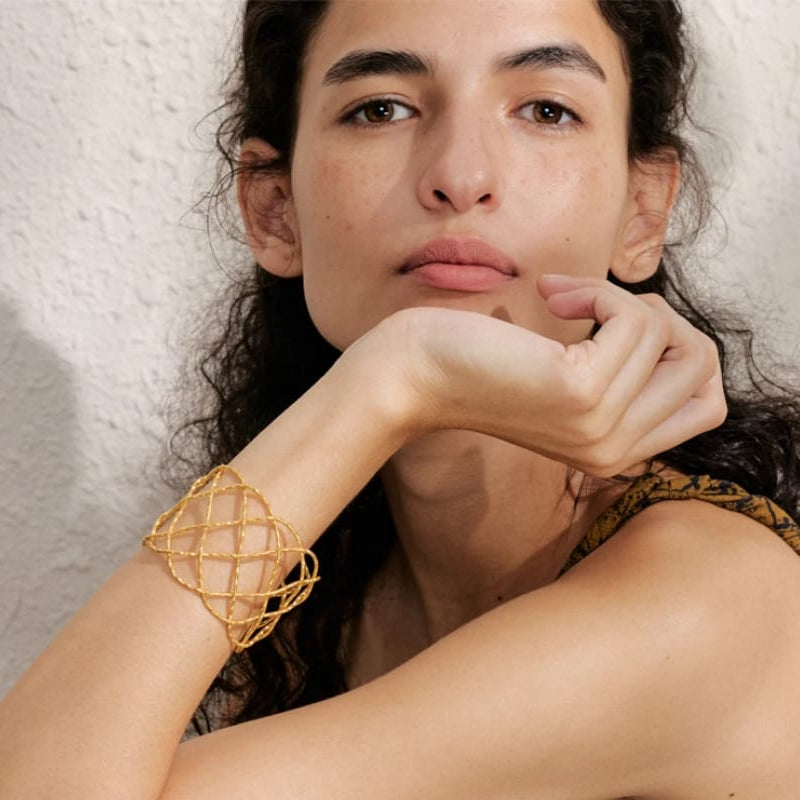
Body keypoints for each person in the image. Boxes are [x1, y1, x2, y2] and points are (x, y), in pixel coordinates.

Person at [2, 0, 800, 797]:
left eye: (545, 109)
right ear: (273, 210)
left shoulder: (700, 601)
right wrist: (385, 385)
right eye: (380, 108)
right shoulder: (333, 587)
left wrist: (393, 378)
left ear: (643, 210)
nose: (460, 176)